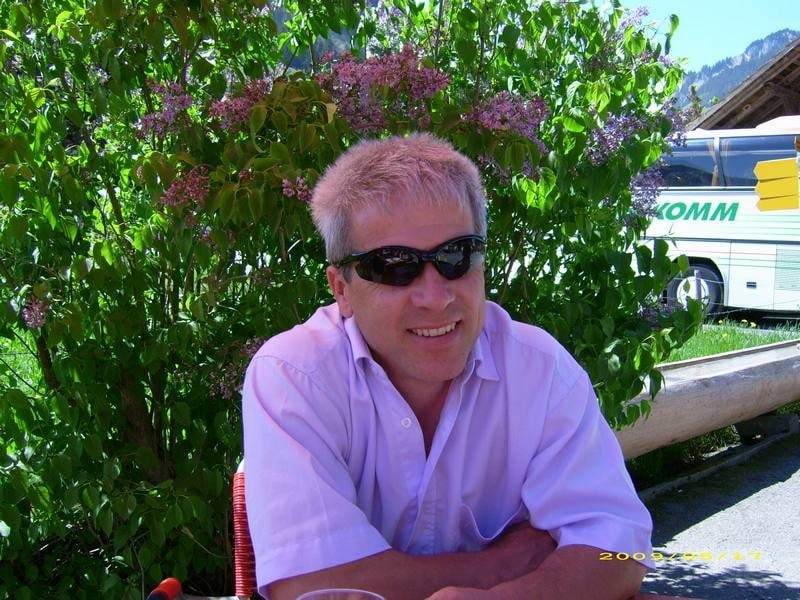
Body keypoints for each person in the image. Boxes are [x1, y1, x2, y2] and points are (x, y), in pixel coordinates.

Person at [242, 134, 653, 600]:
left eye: (457, 256)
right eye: (394, 266)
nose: (435, 298)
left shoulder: (539, 370)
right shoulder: (296, 376)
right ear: (341, 289)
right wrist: (502, 565)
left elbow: (620, 551)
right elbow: (309, 584)